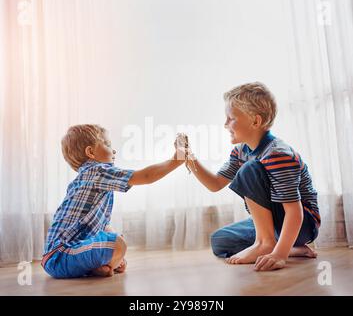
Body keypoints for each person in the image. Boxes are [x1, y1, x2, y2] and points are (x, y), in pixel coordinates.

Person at [176, 82, 320, 271]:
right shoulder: (240, 152)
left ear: (255, 122)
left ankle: (268, 244)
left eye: (231, 118)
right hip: (274, 224)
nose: (225, 124)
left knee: (250, 169)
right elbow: (215, 184)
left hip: (302, 223)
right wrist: (188, 157)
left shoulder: (278, 154)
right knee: (220, 241)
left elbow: (294, 212)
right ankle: (289, 248)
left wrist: (279, 256)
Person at [42, 124, 184, 278]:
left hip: (59, 256)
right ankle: (102, 265)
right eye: (107, 144)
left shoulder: (84, 178)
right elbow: (146, 176)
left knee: (111, 234)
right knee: (118, 245)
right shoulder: (97, 171)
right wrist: (176, 159)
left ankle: (98, 266)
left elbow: (98, 226)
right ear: (90, 152)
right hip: (62, 255)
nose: (114, 150)